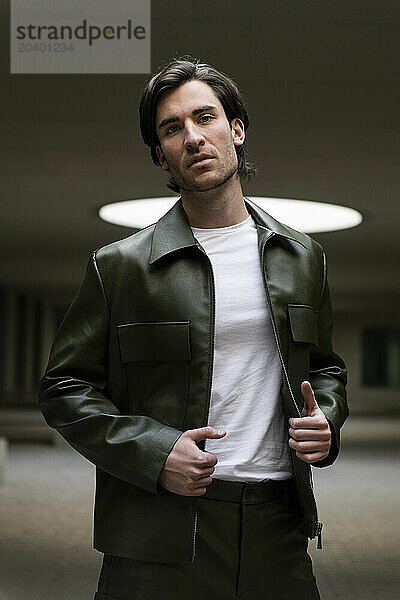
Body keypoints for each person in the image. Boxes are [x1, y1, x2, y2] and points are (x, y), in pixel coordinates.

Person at [39, 57, 348, 600]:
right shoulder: (120, 267)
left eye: (204, 118)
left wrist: (328, 419)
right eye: (172, 128)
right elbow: (65, 390)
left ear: (237, 128)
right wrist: (156, 453)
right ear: (161, 153)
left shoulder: (303, 256)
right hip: (159, 531)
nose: (192, 137)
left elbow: (323, 367)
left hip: (279, 525)